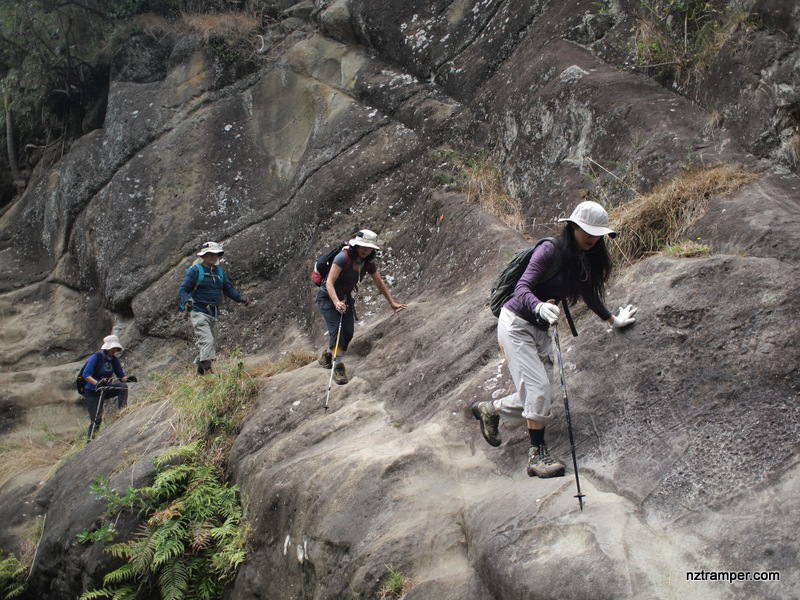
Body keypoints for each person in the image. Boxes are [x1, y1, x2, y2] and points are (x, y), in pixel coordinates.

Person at [472, 200, 637, 478]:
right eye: (587, 231)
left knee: (544, 396)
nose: (592, 238)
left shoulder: (584, 259)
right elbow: (522, 287)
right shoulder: (550, 250)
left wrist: (613, 320)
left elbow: (589, 296)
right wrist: (538, 305)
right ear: (572, 227)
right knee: (537, 391)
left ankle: (492, 410)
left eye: (597, 234)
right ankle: (537, 456)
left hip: (540, 327)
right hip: (516, 323)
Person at [317, 229, 407, 384]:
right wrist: (336, 302)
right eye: (363, 247)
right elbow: (329, 283)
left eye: (369, 247)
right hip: (328, 297)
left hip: (344, 298)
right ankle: (337, 366)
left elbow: (379, 282)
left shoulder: (367, 263)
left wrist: (392, 302)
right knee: (337, 331)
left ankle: (327, 355)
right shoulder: (342, 258)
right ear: (356, 246)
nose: (366, 250)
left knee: (348, 333)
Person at [178, 241, 249, 374]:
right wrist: (186, 301)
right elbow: (183, 289)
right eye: (210, 254)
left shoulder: (219, 272)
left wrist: (240, 298)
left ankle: (200, 369)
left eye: (215, 254)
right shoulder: (195, 271)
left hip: (214, 313)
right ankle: (209, 371)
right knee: (207, 340)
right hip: (199, 311)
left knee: (210, 343)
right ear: (203, 256)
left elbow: (228, 289)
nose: (213, 257)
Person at [82, 334, 137, 440]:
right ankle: (90, 440)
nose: (114, 350)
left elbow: (121, 377)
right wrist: (97, 383)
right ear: (107, 347)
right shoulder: (96, 357)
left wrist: (129, 379)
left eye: (115, 348)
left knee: (122, 387)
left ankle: (122, 411)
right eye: (112, 348)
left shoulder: (114, 359)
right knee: (96, 418)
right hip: (92, 391)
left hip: (105, 389)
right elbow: (86, 375)